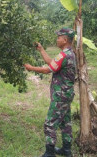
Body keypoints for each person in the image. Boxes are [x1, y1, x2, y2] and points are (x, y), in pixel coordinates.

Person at [24, 28, 76, 157]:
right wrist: (41, 49)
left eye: (59, 37)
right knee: (65, 122)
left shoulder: (64, 55)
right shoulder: (69, 53)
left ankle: (50, 152)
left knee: (50, 123)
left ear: (65, 40)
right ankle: (66, 150)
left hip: (60, 95)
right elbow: (53, 64)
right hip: (66, 94)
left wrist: (31, 68)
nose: (57, 39)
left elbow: (48, 69)